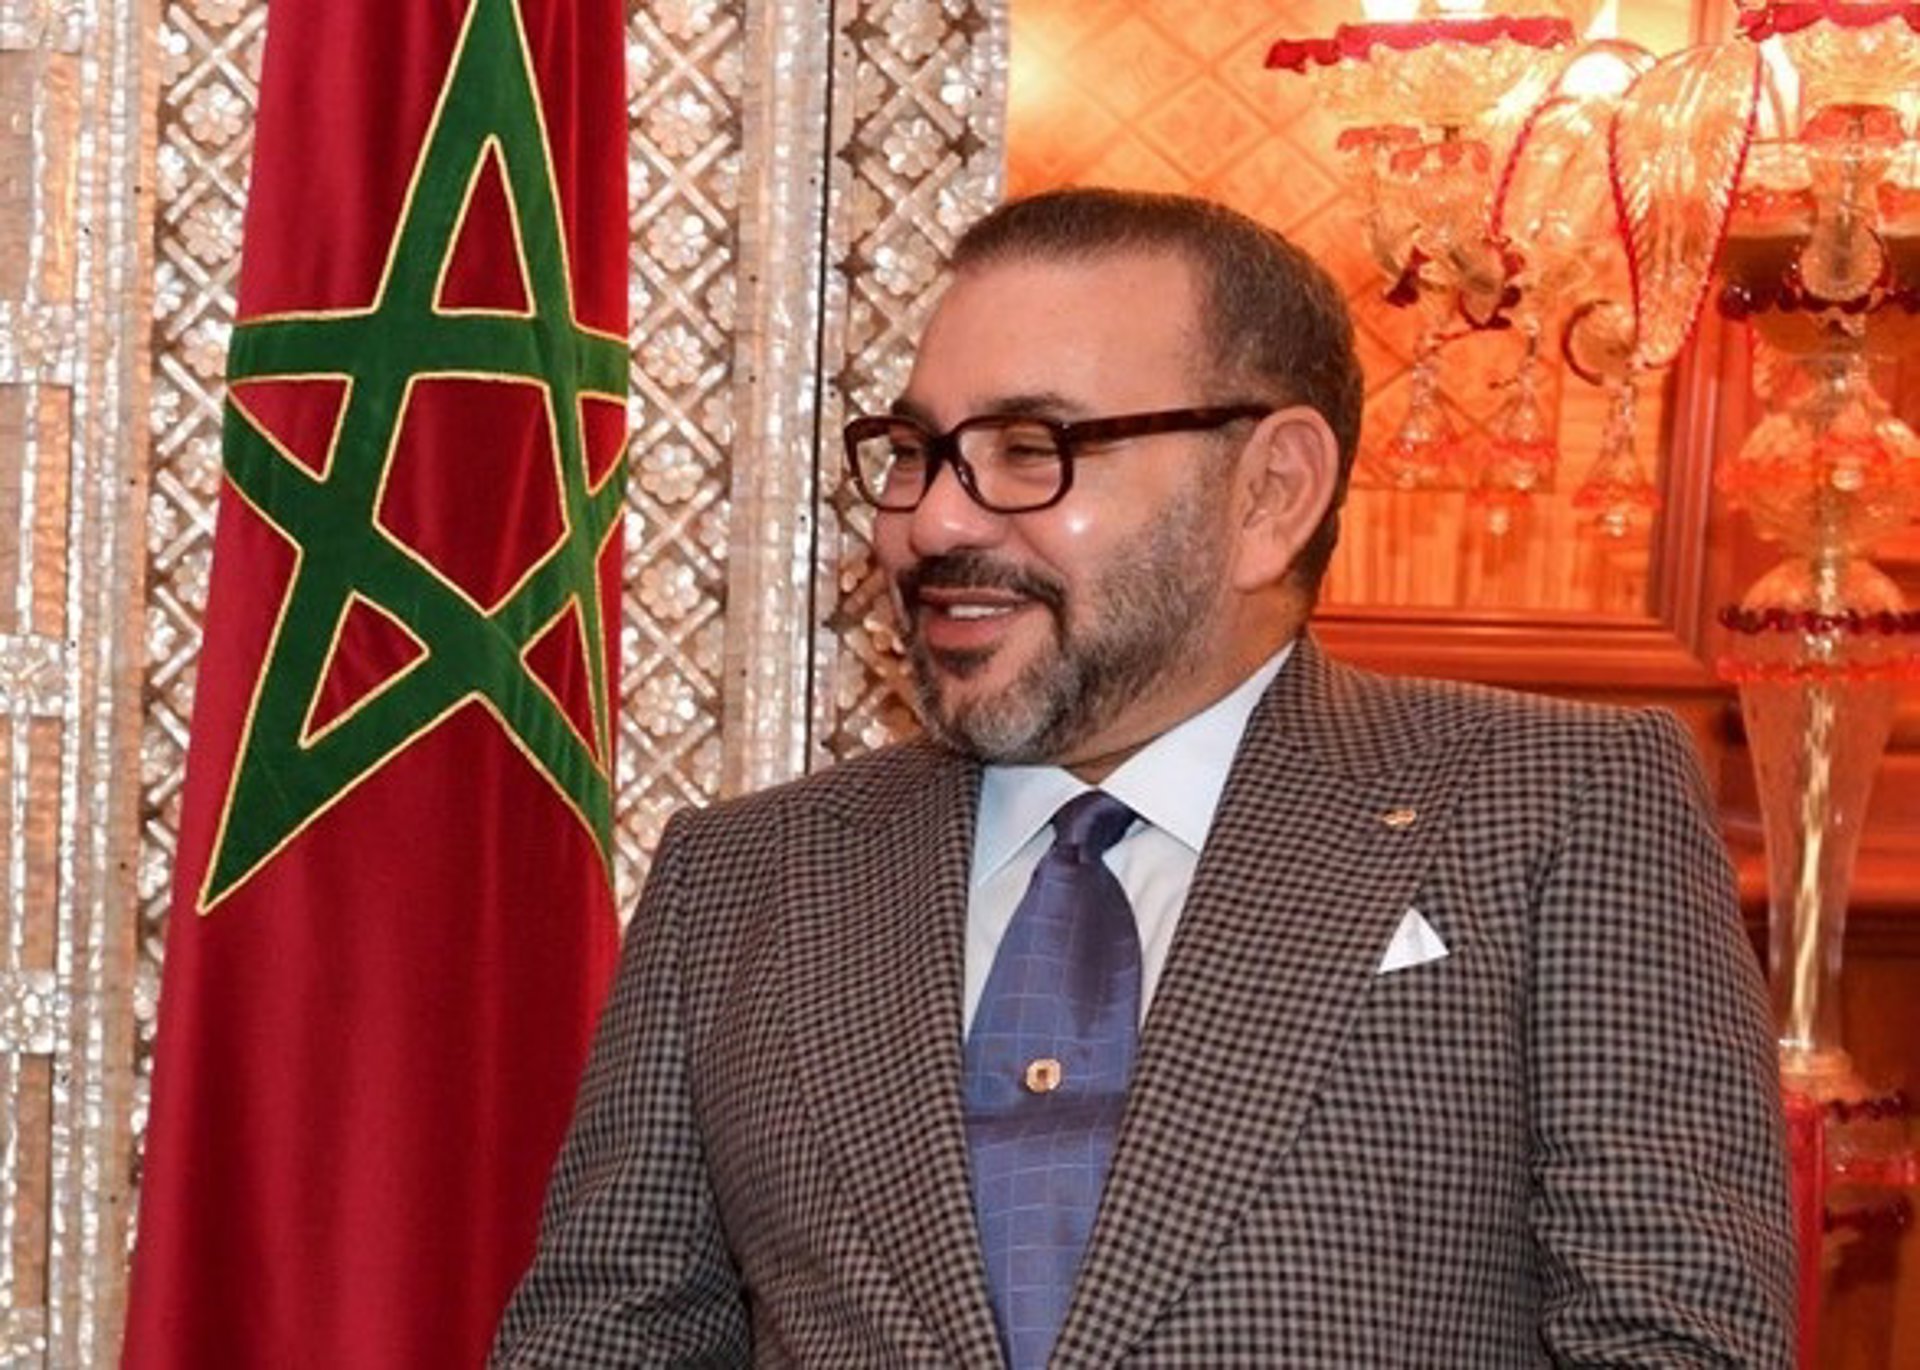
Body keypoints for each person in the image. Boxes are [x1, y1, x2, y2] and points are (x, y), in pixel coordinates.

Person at [492, 188, 1795, 1366]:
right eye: (913, 450)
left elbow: (1675, 1346)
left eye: (1029, 448)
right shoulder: (744, 874)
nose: (933, 520)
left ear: (1269, 494)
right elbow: (605, 1339)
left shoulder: (1555, 807)